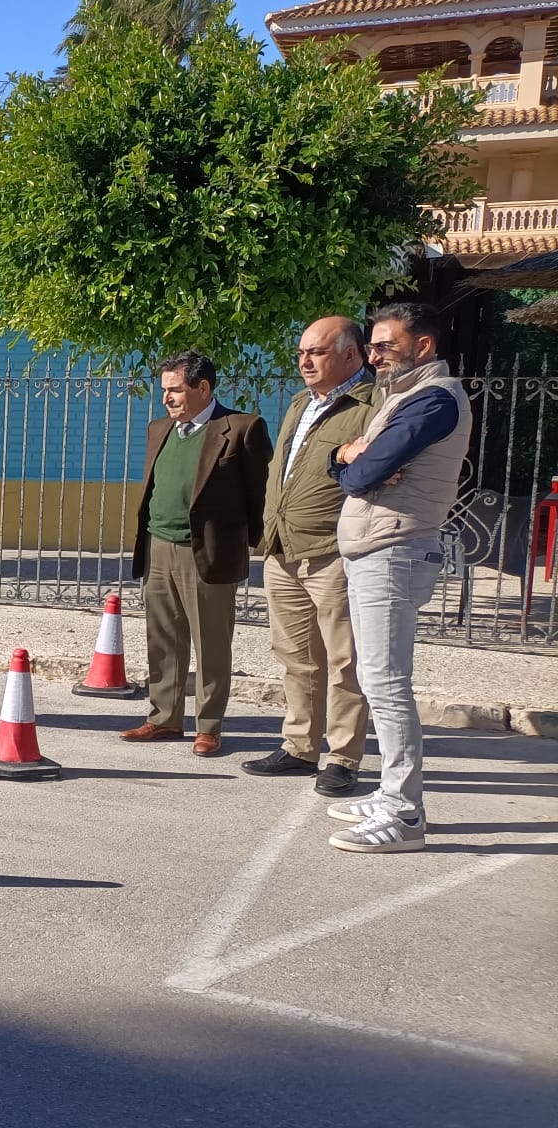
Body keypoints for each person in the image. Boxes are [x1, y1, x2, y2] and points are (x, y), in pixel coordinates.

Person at [326, 302, 470, 854]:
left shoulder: (434, 399)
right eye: (372, 346)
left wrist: (354, 462)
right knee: (375, 678)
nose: (374, 356)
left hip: (395, 550)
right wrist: (347, 453)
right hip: (377, 548)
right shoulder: (402, 397)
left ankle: (405, 813)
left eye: (386, 345)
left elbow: (361, 474)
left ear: (423, 345)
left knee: (386, 683)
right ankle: (390, 793)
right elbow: (352, 466)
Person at [242, 317, 375, 796]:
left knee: (344, 661)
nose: (305, 361)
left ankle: (343, 758)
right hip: (283, 549)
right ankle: (299, 747)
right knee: (296, 657)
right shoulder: (302, 402)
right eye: (301, 352)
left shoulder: (372, 405)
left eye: (316, 352)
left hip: (333, 552)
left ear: (351, 354)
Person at [121, 351, 273, 757]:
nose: (166, 398)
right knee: (163, 638)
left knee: (211, 643)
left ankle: (209, 726)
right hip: (158, 546)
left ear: (203, 388)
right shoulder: (159, 429)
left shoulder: (241, 429)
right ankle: (164, 718)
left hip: (207, 553)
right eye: (164, 390)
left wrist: (249, 544)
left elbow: (260, 493)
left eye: (175, 390)